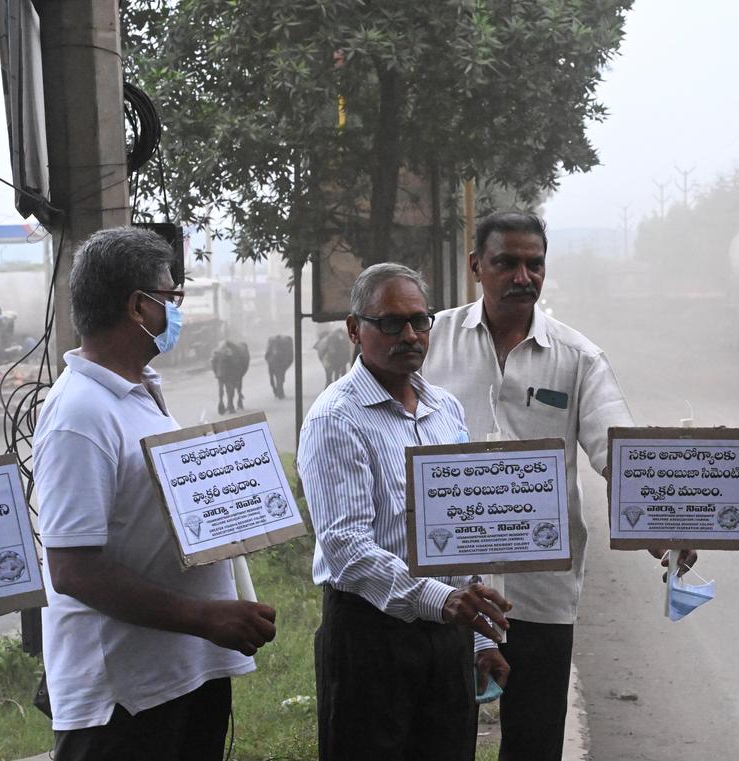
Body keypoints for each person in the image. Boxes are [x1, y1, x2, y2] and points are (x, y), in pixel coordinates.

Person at [422, 211, 696, 761]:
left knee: (533, 743)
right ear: (476, 266)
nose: (523, 276)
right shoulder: (429, 340)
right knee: (439, 739)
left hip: (540, 595)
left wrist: (663, 530)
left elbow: (616, 450)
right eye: (506, 263)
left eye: (534, 264)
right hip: (444, 589)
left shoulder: (578, 359)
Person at [33, 226, 277, 761]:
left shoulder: (139, 393)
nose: (178, 309)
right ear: (139, 307)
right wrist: (206, 617)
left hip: (182, 675)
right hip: (123, 703)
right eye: (173, 297)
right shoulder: (80, 415)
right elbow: (74, 569)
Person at [298, 262, 512, 761]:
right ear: (355, 330)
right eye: (391, 323)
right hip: (369, 637)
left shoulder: (445, 409)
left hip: (448, 633)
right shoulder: (336, 419)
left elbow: (464, 525)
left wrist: (480, 642)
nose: (410, 335)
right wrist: (441, 600)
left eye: (420, 320)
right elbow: (348, 551)